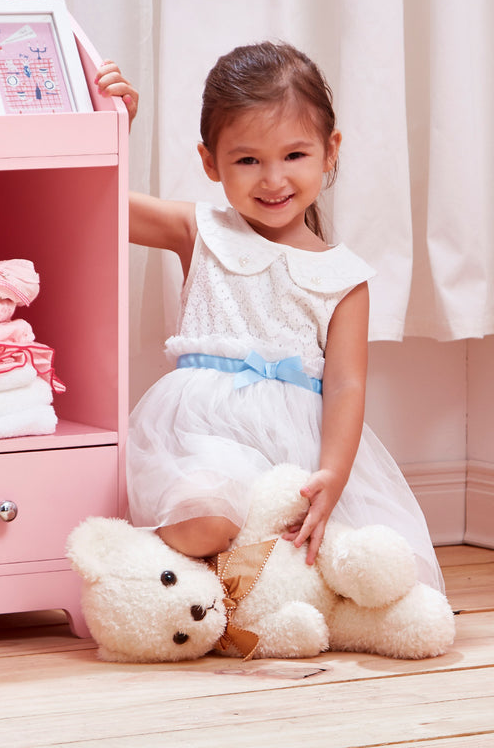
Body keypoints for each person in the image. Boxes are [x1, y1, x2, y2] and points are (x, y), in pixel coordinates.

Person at [96, 42, 443, 590]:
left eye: (294, 155)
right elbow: (99, 201)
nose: (273, 179)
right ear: (211, 162)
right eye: (248, 159)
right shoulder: (202, 231)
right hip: (200, 435)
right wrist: (113, 128)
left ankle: (240, 598)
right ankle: (149, 571)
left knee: (341, 564)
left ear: (330, 152)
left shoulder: (344, 277)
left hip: (294, 447)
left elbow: (347, 384)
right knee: (206, 517)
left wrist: (332, 472)